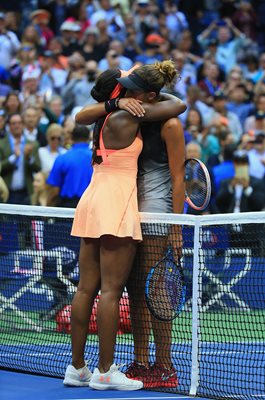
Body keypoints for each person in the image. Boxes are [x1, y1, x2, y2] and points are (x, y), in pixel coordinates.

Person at [63, 61, 186, 391]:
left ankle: (77, 368)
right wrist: (132, 100)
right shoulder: (130, 114)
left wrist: (120, 100)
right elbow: (179, 103)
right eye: (123, 88)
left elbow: (80, 115)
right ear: (117, 94)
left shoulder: (103, 117)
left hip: (93, 200)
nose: (128, 92)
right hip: (116, 202)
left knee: (86, 288)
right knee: (113, 291)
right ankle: (105, 371)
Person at [47, 125, 93, 208]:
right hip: (90, 206)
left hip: (67, 206)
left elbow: (54, 190)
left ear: (72, 138)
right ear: (88, 138)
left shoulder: (62, 158)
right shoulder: (96, 160)